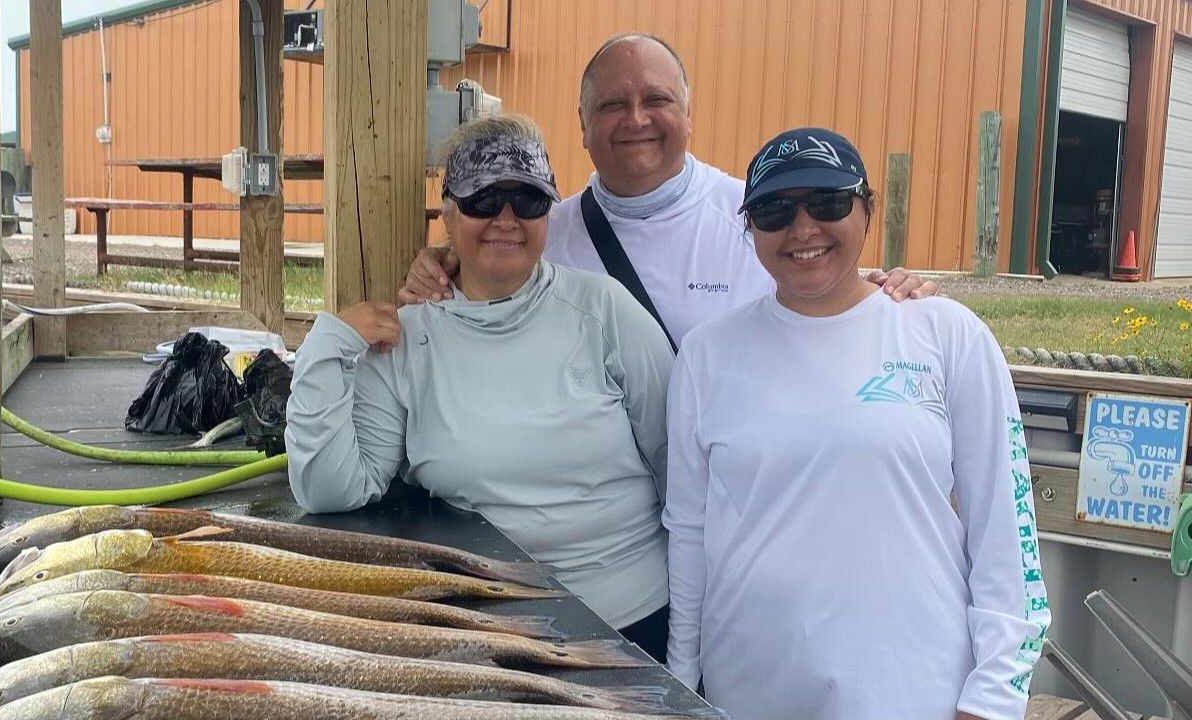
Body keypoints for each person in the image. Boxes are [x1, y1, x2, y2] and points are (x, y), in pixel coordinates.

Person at [664, 127, 1051, 720]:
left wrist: (996, 692)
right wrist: (681, 678)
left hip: (914, 690)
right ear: (750, 229)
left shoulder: (946, 333)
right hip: (748, 688)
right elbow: (690, 532)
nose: (802, 229)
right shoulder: (706, 353)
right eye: (773, 210)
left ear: (868, 209)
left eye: (828, 202)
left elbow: (1005, 522)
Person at [285, 113, 676, 659]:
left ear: (551, 213)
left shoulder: (604, 310)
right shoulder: (405, 341)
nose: (507, 219)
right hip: (485, 631)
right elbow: (332, 489)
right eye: (484, 201)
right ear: (447, 213)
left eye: (530, 201)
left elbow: (677, 465)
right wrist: (326, 347)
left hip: (632, 618)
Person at [399, 33, 935, 346]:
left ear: (688, 113)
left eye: (656, 100)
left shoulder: (761, 216)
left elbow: (833, 294)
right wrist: (443, 266)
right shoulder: (539, 235)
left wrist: (897, 295)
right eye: (612, 105)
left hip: (733, 494)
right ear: (582, 121)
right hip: (600, 513)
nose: (636, 120)